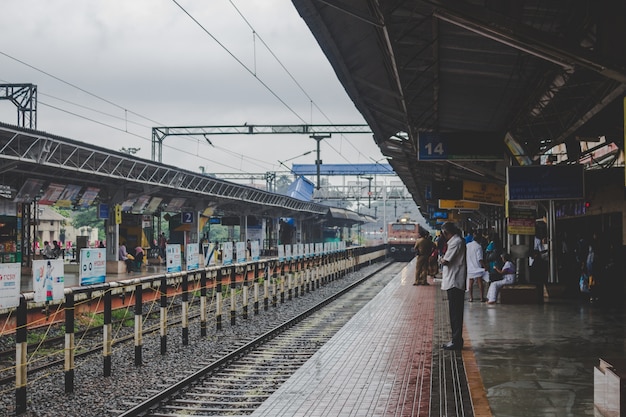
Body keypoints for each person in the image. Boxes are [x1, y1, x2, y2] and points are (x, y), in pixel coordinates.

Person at [439, 222, 466, 350]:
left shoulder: (456, 242)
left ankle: (456, 341)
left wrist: (440, 259)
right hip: (454, 281)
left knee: (455, 313)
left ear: (445, 233)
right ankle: (456, 339)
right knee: (455, 312)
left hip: (455, 281)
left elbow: (446, 261)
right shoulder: (456, 241)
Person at [466, 233, 489, 302]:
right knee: (480, 282)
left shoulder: (467, 245)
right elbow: (480, 259)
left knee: (470, 282)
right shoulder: (478, 246)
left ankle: (471, 298)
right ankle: (482, 298)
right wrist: (485, 266)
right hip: (477, 267)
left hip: (470, 267)